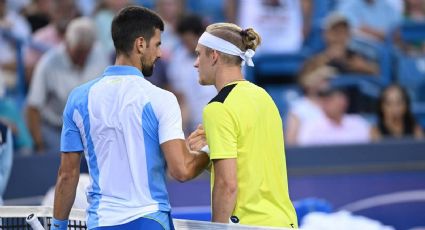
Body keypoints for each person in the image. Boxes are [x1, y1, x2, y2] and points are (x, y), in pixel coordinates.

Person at [52, 6, 209, 230]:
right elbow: (181, 170)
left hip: (102, 223)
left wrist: (57, 227)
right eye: (157, 44)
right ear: (140, 44)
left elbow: (67, 175)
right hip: (150, 221)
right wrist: (208, 151)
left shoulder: (78, 99)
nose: (159, 53)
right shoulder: (161, 99)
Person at [188, 22, 298, 227]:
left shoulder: (218, 108)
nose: (195, 63)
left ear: (213, 56)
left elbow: (227, 184)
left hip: (250, 224)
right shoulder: (264, 97)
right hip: (285, 222)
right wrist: (208, 152)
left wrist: (217, 228)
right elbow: (251, 167)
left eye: (199, 54)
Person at [26, 17, 108, 154]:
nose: (82, 58)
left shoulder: (98, 54)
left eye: (86, 52)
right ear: (67, 43)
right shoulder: (48, 63)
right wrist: (39, 144)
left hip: (92, 128)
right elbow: (33, 107)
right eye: (78, 52)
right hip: (57, 129)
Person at [298, 86, 371, 146]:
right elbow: (305, 153)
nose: (329, 104)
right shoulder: (311, 126)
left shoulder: (359, 123)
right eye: (327, 100)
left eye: (332, 100)